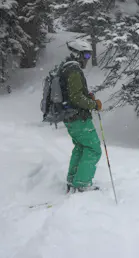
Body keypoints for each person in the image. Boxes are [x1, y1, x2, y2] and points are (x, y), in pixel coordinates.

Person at [61, 40, 103, 193]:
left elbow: (74, 94)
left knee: (81, 147)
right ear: (77, 54)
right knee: (93, 149)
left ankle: (73, 179)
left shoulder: (66, 68)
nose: (87, 58)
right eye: (85, 54)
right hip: (78, 118)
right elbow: (76, 97)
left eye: (89, 55)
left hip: (70, 118)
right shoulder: (73, 70)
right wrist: (94, 104)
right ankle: (82, 183)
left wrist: (88, 96)